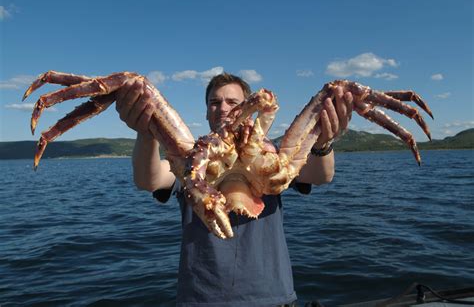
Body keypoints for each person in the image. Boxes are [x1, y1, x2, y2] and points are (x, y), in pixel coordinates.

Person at [115, 73, 353, 306]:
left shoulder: (274, 156)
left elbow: (320, 175)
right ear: (207, 111)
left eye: (233, 102)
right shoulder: (190, 159)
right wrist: (146, 135)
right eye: (214, 103)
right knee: (134, 82)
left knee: (337, 88)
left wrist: (322, 144)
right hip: (201, 298)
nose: (223, 108)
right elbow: (149, 180)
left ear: (248, 106)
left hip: (273, 296)